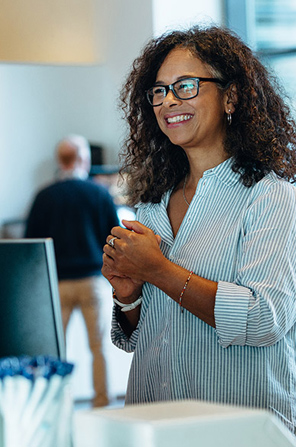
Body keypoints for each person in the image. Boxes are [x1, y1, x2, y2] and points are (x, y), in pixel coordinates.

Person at [103, 25, 296, 432]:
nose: (168, 101)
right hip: (154, 425)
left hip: (240, 431)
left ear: (232, 95)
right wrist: (129, 299)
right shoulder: (153, 203)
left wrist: (158, 270)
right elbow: (143, 340)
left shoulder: (271, 197)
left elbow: (265, 319)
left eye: (186, 86)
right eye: (159, 91)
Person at [24, 135, 120, 408]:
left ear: (59, 161)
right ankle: (102, 402)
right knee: (98, 347)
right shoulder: (99, 193)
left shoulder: (44, 197)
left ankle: (56, 403)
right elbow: (113, 238)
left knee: (56, 349)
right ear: (84, 159)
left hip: (58, 285)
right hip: (92, 281)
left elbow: (33, 244)